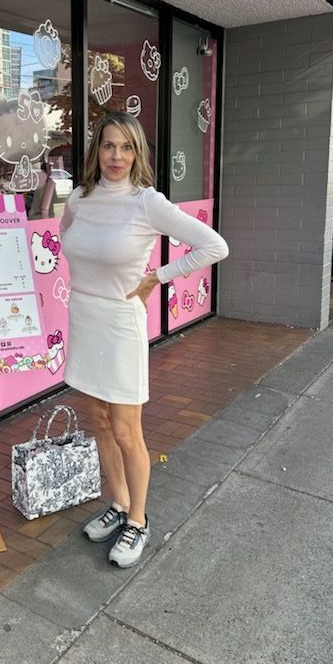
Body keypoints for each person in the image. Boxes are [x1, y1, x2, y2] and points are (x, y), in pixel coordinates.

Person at [60, 111, 228, 568]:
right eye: (109, 146)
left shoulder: (146, 202)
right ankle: (117, 505)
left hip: (119, 324)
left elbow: (215, 245)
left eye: (127, 147)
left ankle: (138, 519)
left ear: (139, 153)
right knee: (97, 420)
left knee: (126, 430)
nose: (117, 156)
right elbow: (67, 240)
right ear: (97, 150)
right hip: (85, 316)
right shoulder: (79, 198)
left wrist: (158, 276)